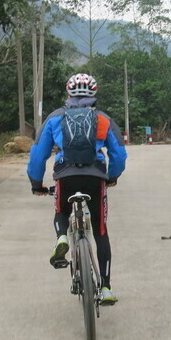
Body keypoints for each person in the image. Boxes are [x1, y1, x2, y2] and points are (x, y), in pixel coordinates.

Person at [27, 73, 127, 304]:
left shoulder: (54, 119)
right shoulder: (103, 119)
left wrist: (36, 183)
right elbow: (119, 153)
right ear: (94, 93)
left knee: (61, 211)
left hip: (66, 174)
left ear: (68, 92)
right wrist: (112, 176)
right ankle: (106, 287)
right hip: (95, 177)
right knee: (100, 230)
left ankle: (62, 236)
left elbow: (38, 155)